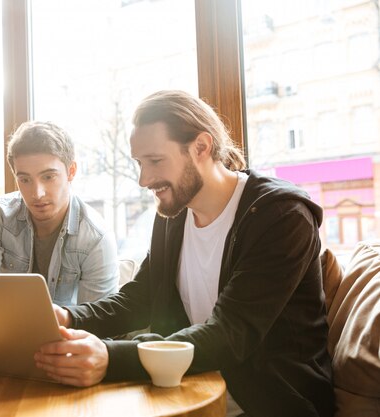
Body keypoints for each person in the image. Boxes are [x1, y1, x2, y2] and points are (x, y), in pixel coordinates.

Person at [34, 90, 335, 417]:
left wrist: (110, 359)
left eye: (155, 161)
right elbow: (141, 297)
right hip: (189, 391)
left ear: (201, 147)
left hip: (272, 404)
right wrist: (67, 317)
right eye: (139, 163)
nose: (144, 179)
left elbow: (230, 334)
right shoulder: (173, 214)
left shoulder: (281, 217)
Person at [0, 120, 120, 367]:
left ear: (71, 171)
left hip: (60, 359)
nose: (37, 193)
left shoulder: (96, 238)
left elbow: (96, 332)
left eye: (48, 177)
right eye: (25, 179)